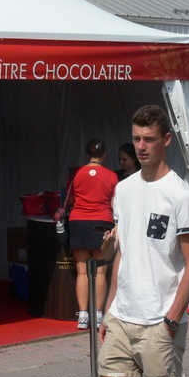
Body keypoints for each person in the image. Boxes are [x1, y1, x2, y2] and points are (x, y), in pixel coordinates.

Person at [98, 104, 189, 377]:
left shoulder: (181, 195)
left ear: (166, 139)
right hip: (121, 318)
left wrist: (171, 321)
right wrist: (108, 310)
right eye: (137, 139)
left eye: (149, 139)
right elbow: (123, 255)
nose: (141, 147)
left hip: (160, 321)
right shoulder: (124, 188)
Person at [66, 139, 118, 330]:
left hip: (78, 220)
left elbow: (70, 199)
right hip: (102, 221)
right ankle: (98, 315)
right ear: (104, 155)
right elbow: (114, 204)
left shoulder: (76, 173)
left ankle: (83, 316)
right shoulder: (112, 175)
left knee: (81, 272)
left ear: (87, 154)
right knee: (100, 272)